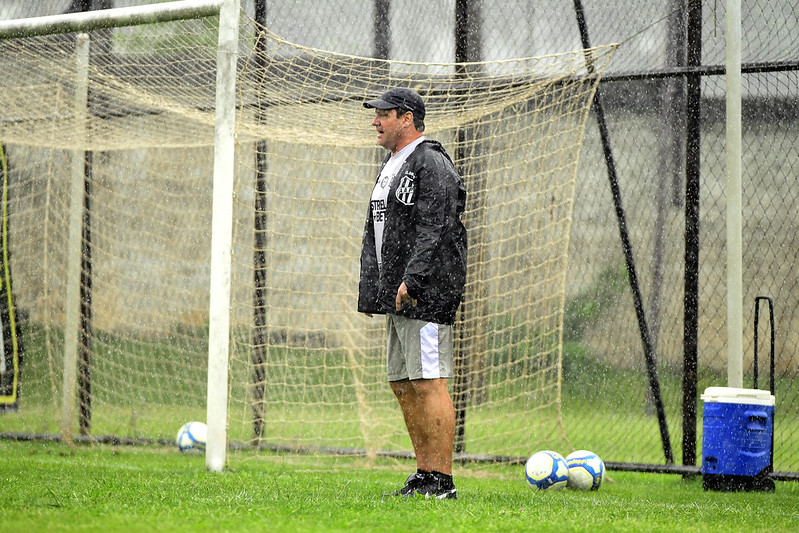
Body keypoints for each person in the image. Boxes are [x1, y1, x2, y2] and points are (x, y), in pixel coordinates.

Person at [358, 88, 467, 500]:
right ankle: (424, 474)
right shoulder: (390, 165)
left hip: (426, 293)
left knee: (428, 383)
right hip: (398, 294)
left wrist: (414, 280)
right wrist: (374, 288)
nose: (375, 121)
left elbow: (435, 227)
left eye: (382, 114)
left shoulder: (431, 161)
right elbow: (378, 233)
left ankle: (442, 481)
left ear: (407, 118)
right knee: (403, 383)